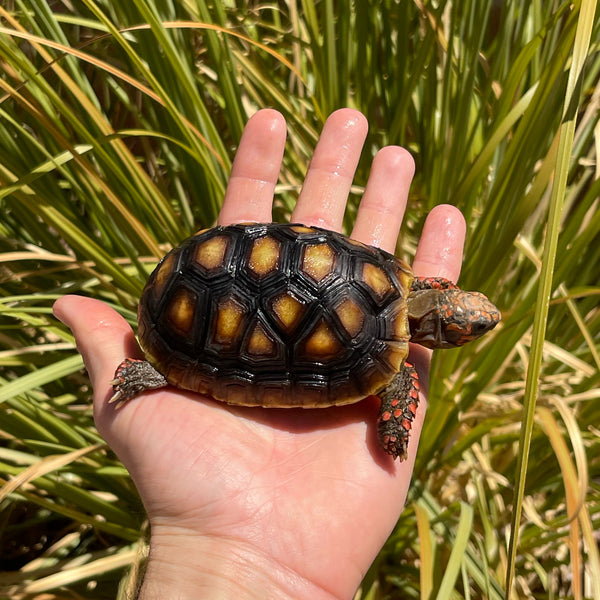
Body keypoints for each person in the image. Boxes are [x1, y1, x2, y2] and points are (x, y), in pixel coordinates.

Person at [53, 109, 466, 600]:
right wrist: (395, 424)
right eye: (468, 328)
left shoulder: (390, 277)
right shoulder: (394, 350)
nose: (476, 328)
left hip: (212, 263)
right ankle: (166, 369)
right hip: (201, 310)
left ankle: (168, 367)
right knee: (397, 382)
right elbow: (396, 378)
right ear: (439, 328)